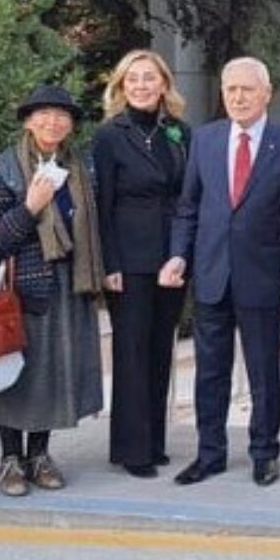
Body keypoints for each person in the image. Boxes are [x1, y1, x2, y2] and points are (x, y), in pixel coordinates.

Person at [162, 57, 280, 487]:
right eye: (231, 89)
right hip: (211, 275)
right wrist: (179, 256)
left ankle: (265, 452)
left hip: (262, 278)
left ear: (267, 94)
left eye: (248, 89)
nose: (239, 97)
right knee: (210, 372)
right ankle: (209, 454)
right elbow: (187, 209)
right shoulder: (205, 141)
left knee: (265, 372)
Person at [0, 85, 107, 497]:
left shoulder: (83, 166)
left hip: (70, 285)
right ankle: (10, 457)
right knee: (14, 374)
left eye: (62, 116)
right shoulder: (2, 169)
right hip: (21, 287)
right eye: (44, 114)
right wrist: (30, 207)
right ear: (28, 120)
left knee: (52, 373)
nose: (53, 122)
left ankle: (41, 454)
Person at [92, 50, 191, 478]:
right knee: (131, 351)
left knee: (159, 349)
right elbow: (103, 203)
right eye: (133, 79)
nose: (142, 85)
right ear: (121, 85)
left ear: (164, 84)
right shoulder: (110, 135)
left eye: (150, 78)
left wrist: (183, 252)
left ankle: (154, 440)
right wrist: (109, 262)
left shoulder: (179, 132)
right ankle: (132, 450)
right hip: (128, 257)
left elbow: (189, 194)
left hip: (171, 255)